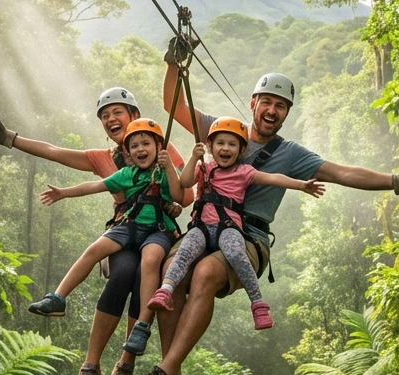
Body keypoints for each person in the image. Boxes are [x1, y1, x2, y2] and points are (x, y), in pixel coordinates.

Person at [121, 46, 399, 375]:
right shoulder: (222, 129)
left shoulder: (290, 154)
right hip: (205, 226)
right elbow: (173, 104)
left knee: (206, 273)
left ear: (286, 114)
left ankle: (162, 374)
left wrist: (398, 181)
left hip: (248, 237)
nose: (272, 111)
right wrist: (172, 64)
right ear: (253, 103)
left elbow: (342, 173)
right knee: (171, 271)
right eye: (267, 102)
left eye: (280, 106)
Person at [0, 90, 192, 375]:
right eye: (105, 116)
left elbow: (185, 192)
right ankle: (90, 369)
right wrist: (10, 139)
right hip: (125, 229)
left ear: (134, 115)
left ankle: (124, 367)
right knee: (122, 273)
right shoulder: (106, 159)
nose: (111, 119)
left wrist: (174, 202)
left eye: (117, 112)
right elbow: (55, 152)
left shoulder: (159, 145)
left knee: (142, 276)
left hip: (157, 232)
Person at [121, 118, 324, 360]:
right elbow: (185, 183)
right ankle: (166, 290)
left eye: (231, 144)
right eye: (220, 143)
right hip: (201, 227)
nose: (225, 149)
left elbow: (273, 178)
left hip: (228, 227)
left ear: (241, 150)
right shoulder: (204, 168)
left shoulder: (244, 172)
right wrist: (194, 158)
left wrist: (301, 185)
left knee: (237, 254)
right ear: (210, 146)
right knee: (184, 252)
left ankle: (258, 304)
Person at [29, 118, 184, 319]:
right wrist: (64, 192)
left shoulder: (165, 173)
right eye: (134, 146)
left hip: (158, 229)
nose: (140, 149)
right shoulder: (127, 174)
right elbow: (95, 185)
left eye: (146, 144)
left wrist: (169, 166)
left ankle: (142, 323)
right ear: (128, 153)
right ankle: (58, 298)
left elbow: (179, 194)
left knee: (150, 260)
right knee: (94, 250)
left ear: (158, 147)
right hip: (129, 225)